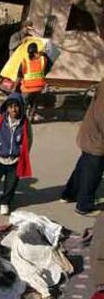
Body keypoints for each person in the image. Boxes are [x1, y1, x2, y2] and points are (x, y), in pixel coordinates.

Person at [0, 93, 33, 215]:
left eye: (16, 106)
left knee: (10, 184)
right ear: (7, 108)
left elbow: (28, 140)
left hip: (15, 160)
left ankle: (5, 202)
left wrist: (22, 154)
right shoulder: (0, 121)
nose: (13, 109)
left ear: (21, 107)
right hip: (0, 158)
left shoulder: (25, 124)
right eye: (10, 107)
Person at [61, 79, 104, 215]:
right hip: (97, 137)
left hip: (91, 132)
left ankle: (69, 194)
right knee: (93, 170)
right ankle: (84, 205)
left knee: (84, 164)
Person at [15, 42, 52, 120]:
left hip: (27, 88)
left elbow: (19, 76)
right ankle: (31, 117)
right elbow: (47, 69)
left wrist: (14, 88)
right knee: (34, 104)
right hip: (38, 88)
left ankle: (22, 119)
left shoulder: (24, 61)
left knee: (24, 104)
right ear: (36, 50)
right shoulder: (43, 59)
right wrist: (43, 53)